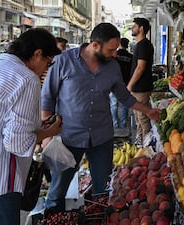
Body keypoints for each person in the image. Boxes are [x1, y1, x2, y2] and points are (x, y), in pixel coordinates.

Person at [41, 23, 160, 213]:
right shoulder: (64, 61)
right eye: (111, 49)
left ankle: (96, 218)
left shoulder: (112, 67)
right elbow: (47, 97)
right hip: (68, 139)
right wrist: (46, 137)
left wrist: (147, 110)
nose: (115, 54)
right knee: (57, 192)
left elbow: (124, 96)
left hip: (101, 139)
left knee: (102, 192)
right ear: (95, 45)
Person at [0, 28, 62, 225]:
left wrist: (36, 127)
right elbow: (16, 141)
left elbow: (1, 120)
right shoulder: (26, 78)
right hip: (0, 179)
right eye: (48, 63)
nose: (46, 69)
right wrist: (49, 132)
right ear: (37, 54)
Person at [127, 17, 155, 145]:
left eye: (135, 26)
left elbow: (140, 68)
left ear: (141, 28)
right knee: (139, 118)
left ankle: (147, 146)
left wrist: (130, 85)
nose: (132, 28)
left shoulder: (144, 45)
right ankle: (140, 143)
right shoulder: (140, 44)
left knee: (143, 118)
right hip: (138, 88)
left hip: (141, 88)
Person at [110, 38, 133, 129]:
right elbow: (132, 71)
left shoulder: (115, 55)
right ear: (127, 45)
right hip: (126, 84)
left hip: (114, 84)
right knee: (124, 105)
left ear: (119, 44)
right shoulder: (130, 57)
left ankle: (115, 125)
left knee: (113, 105)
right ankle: (123, 126)